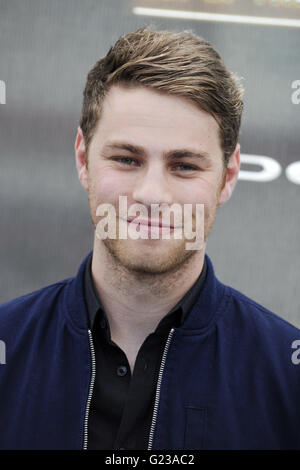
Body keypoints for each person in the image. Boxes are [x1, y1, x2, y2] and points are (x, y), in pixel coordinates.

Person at [0, 25, 299, 451]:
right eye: (126, 159)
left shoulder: (287, 381)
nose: (151, 195)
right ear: (83, 159)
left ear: (229, 175)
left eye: (184, 166)